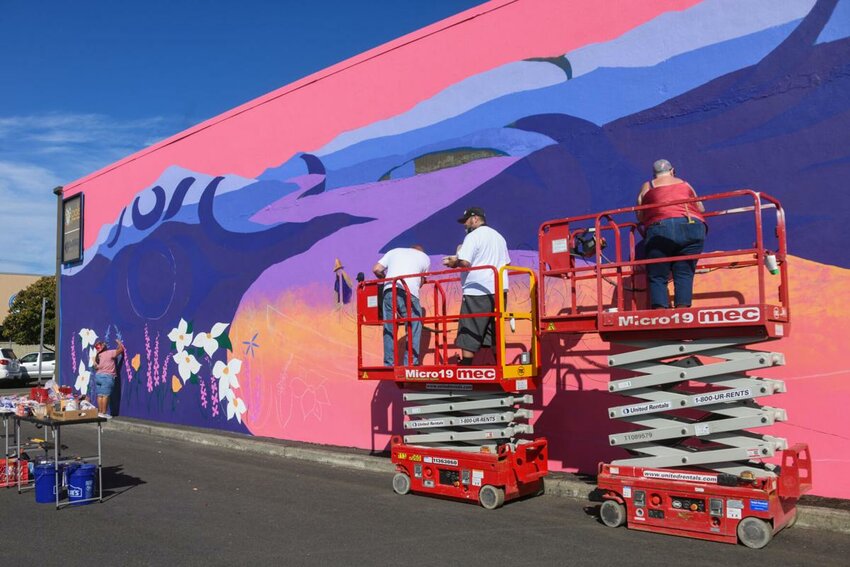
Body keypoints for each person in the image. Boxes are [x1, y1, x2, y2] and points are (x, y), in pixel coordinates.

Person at [442, 207, 510, 365]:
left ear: (475, 219)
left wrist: (453, 263)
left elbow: (465, 262)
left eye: (466, 221)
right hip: (499, 288)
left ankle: (465, 364)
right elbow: (507, 262)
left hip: (478, 288)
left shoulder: (473, 236)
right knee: (496, 328)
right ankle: (500, 364)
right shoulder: (499, 237)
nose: (465, 224)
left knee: (470, 325)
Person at [637, 159, 706, 309]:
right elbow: (701, 208)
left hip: (660, 229)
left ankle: (661, 311)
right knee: (684, 272)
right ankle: (682, 310)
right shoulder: (685, 184)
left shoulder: (648, 186)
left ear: (654, 174)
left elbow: (640, 215)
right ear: (672, 170)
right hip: (691, 227)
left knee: (657, 274)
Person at [373, 245, 431, 366]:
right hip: (409, 292)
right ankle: (410, 363)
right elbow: (421, 282)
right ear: (420, 251)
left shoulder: (394, 251)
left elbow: (376, 269)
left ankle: (389, 363)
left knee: (389, 327)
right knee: (413, 326)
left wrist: (385, 280)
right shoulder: (425, 257)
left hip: (389, 290)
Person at [93, 339, 124, 418]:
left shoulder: (98, 356)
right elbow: (121, 350)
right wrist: (119, 343)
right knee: (105, 395)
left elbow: (95, 367)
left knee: (100, 395)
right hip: (107, 377)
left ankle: (100, 412)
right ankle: (103, 413)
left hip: (98, 376)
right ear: (104, 346)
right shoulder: (109, 353)